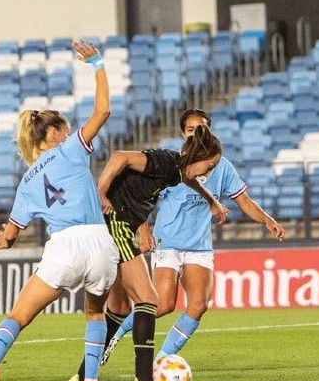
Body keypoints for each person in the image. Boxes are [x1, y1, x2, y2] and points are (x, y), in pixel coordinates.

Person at [0, 40, 117, 381]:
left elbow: (11, 235)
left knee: (18, 316)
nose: (68, 134)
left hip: (64, 247)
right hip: (100, 242)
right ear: (53, 135)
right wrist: (97, 64)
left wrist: (5, 240)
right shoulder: (71, 149)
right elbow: (103, 110)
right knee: (95, 313)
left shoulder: (26, 183)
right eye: (64, 129)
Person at [101, 108, 286, 364]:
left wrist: (267, 219)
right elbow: (141, 195)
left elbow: (242, 199)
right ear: (182, 134)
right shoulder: (171, 164)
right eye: (191, 129)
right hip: (168, 241)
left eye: (202, 128)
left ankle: (162, 361)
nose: (196, 133)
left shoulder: (222, 165)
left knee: (199, 305)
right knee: (163, 304)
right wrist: (142, 229)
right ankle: (116, 334)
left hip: (199, 245)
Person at [64, 123, 229, 381]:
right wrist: (101, 192)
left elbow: (189, 180)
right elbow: (120, 157)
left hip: (118, 224)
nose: (209, 172)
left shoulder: (178, 170)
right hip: (116, 221)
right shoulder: (164, 162)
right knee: (148, 299)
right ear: (198, 158)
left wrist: (211, 200)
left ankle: (81, 379)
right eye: (209, 166)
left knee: (118, 307)